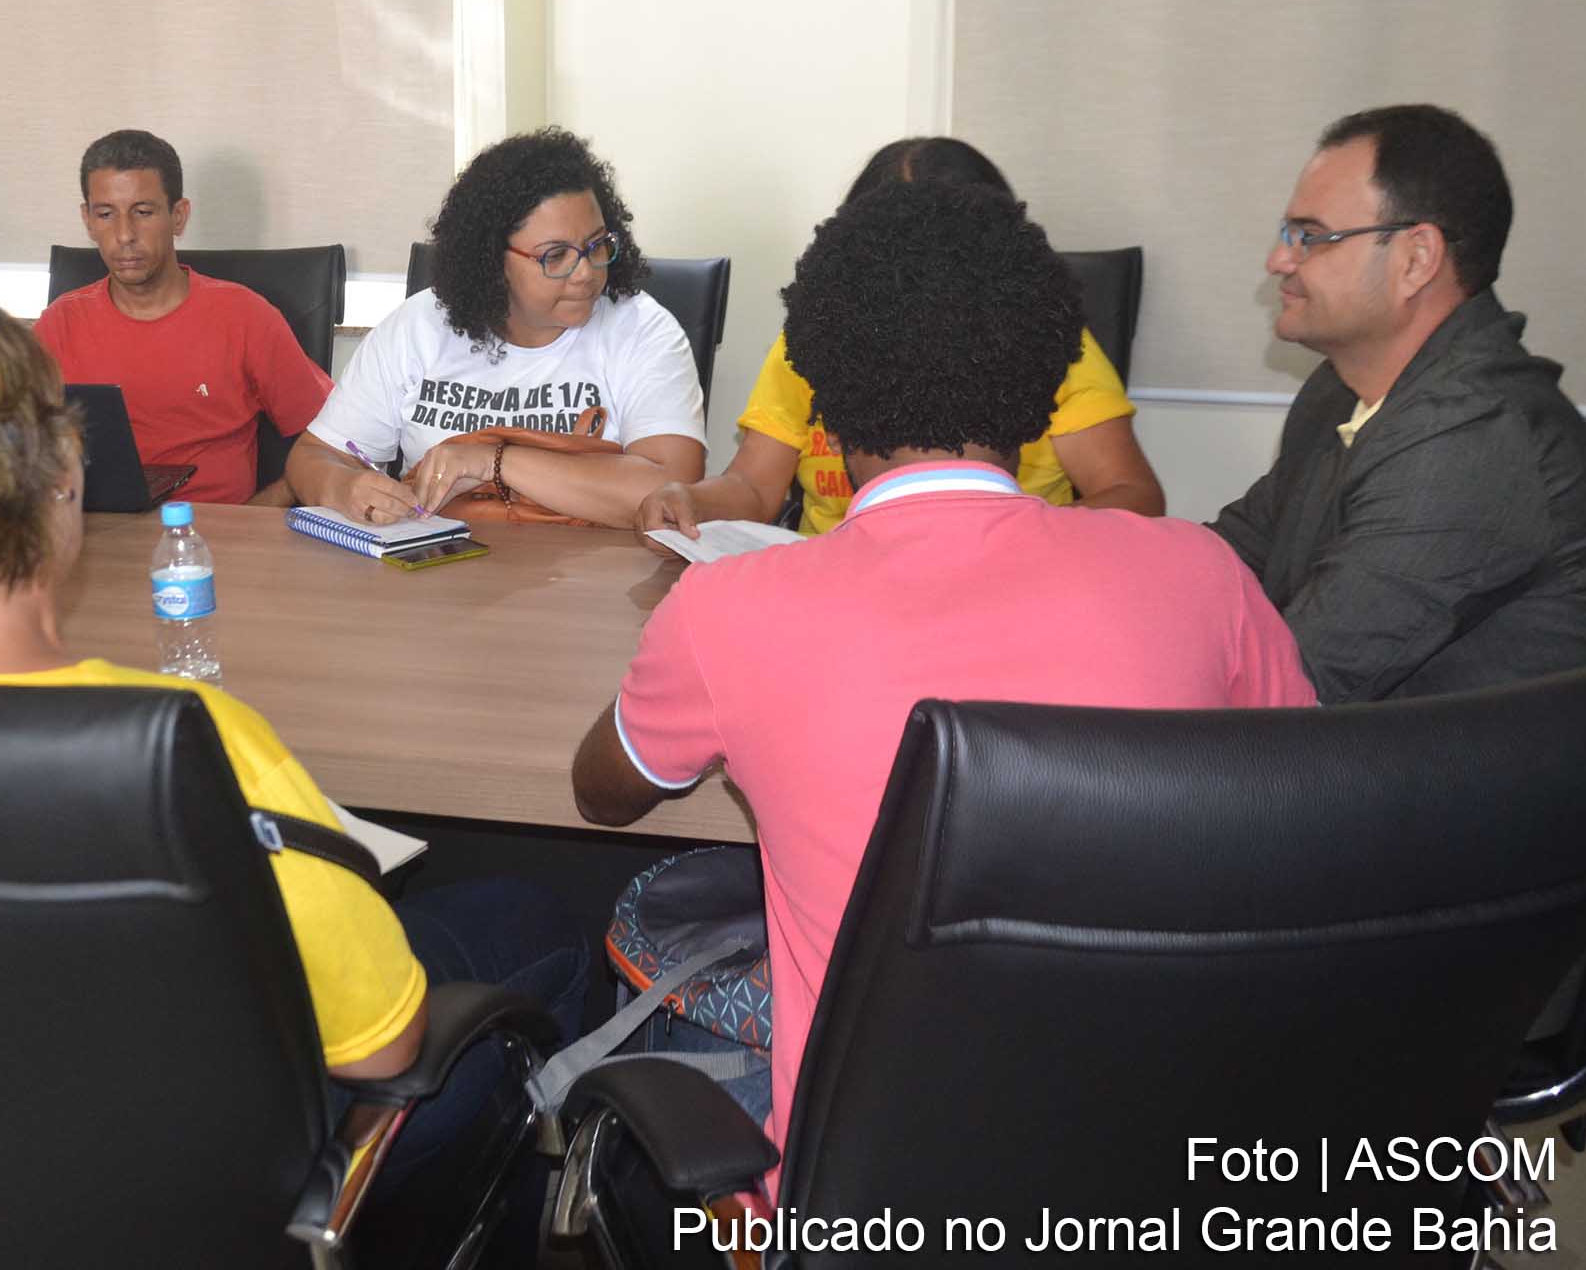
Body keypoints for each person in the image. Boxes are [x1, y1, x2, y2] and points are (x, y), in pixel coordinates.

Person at [0, 294, 587, 1262]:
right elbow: (381, 1047)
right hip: (189, 1191)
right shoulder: (184, 740)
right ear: (63, 474)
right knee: (543, 925)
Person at [572, 180, 1313, 1198]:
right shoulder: (1203, 575)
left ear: (821, 393)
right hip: (1164, 1172)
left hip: (869, 1202)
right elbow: (1305, 822)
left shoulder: (728, 609)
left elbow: (603, 790)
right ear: (1046, 379)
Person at [1210, 105, 1586, 703]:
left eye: (1311, 237)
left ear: (1416, 259)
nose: (1279, 260)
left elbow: (1297, 684)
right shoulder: (1338, 388)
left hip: (1473, 790)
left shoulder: (1475, 435)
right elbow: (1229, 560)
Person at [641, 136, 1163, 539]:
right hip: (842, 579)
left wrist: (1021, 538)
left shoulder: (1048, 340)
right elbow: (755, 487)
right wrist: (691, 499)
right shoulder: (820, 336)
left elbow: (1131, 495)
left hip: (1006, 575)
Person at [291, 127, 706, 527]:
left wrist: (493, 461)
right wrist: (345, 486)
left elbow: (674, 492)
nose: (585, 273)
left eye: (597, 246)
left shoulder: (641, 330)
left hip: (594, 583)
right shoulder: (418, 327)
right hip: (439, 576)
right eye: (555, 255)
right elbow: (311, 459)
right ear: (491, 260)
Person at [33, 129, 333, 504]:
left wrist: (262, 512)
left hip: (218, 540)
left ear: (178, 216)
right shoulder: (60, 324)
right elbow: (11, 443)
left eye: (143, 212)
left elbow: (336, 439)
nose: (124, 234)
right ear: (88, 221)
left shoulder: (246, 318)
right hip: (95, 536)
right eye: (106, 214)